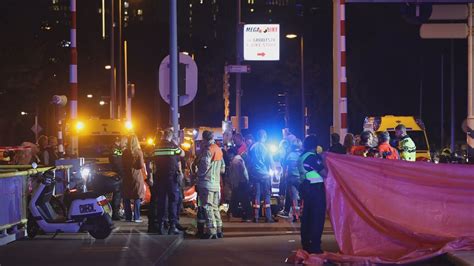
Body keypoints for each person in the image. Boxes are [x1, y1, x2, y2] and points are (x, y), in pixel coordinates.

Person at [149, 129, 184, 234]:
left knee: (161, 201)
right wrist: (174, 143)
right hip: (172, 178)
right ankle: (172, 226)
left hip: (159, 178)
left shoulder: (156, 148)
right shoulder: (173, 147)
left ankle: (160, 225)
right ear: (171, 136)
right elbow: (182, 153)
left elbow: (150, 161)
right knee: (173, 201)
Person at [195, 130, 226, 239]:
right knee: (215, 207)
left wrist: (197, 174)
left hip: (206, 183)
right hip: (216, 184)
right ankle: (219, 230)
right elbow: (223, 169)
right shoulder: (218, 150)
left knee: (207, 207)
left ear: (204, 139)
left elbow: (204, 167)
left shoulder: (208, 150)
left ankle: (211, 231)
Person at [298, 134, 326, 254]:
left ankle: (307, 243)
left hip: (307, 189)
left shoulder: (303, 156)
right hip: (315, 190)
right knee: (316, 218)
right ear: (315, 146)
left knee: (308, 218)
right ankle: (314, 245)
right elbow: (324, 172)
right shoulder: (312, 157)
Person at [248, 129, 275, 223]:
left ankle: (255, 217)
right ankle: (268, 217)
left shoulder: (252, 147)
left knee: (257, 195)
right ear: (265, 137)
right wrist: (274, 172)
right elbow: (271, 162)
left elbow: (249, 161)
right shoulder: (266, 147)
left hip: (255, 174)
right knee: (267, 195)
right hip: (265, 174)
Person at [122, 135, 146, 223]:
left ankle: (128, 217)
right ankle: (136, 216)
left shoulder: (125, 152)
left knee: (126, 195)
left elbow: (122, 164)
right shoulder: (138, 152)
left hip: (127, 175)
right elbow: (140, 165)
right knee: (137, 195)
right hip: (136, 175)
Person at [228, 148, 252, 222]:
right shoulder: (239, 160)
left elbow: (236, 175)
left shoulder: (235, 162)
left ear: (231, 154)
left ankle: (247, 216)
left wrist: (234, 185)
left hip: (240, 183)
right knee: (238, 199)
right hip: (243, 182)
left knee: (243, 200)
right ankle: (233, 212)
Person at [284, 138, 302, 222]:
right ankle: (303, 214)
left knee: (294, 197)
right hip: (301, 178)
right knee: (303, 196)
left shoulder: (290, 155)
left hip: (291, 178)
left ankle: (296, 215)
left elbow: (285, 166)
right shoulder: (302, 154)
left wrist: (284, 176)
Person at [110, 136, 127, 220]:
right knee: (117, 194)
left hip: (118, 173)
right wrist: (122, 173)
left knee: (119, 195)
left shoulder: (116, 149)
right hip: (118, 174)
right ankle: (115, 214)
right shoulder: (115, 149)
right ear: (119, 141)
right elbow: (117, 163)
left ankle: (117, 213)